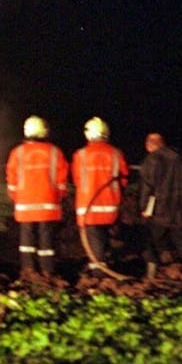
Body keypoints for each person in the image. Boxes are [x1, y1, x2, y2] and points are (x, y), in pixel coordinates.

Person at [5, 115, 69, 276]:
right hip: (49, 204)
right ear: (44, 131)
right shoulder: (55, 152)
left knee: (26, 236)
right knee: (46, 237)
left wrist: (15, 196)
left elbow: (11, 177)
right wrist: (59, 195)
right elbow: (62, 178)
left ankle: (28, 270)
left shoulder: (17, 152)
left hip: (25, 203)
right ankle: (47, 271)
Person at [72, 117, 129, 277]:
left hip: (88, 207)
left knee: (94, 241)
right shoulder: (116, 153)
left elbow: (77, 179)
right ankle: (104, 266)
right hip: (111, 207)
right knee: (104, 238)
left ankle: (99, 275)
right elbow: (123, 178)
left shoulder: (81, 155)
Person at [138, 133, 182, 278]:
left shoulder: (151, 160)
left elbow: (147, 187)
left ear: (149, 145)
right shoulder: (180, 157)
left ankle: (150, 275)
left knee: (152, 240)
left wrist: (144, 207)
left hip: (161, 208)